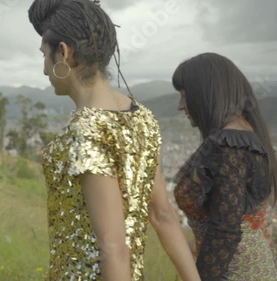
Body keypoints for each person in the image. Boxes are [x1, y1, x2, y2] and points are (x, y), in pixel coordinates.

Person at [28, 0, 201, 280]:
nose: (44, 70)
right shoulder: (142, 118)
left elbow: (113, 247)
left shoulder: (86, 132)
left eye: (44, 56)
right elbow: (163, 216)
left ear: (63, 53)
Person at [172, 52, 277, 280]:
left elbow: (225, 231)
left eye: (185, 96)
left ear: (207, 94)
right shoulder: (245, 135)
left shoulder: (229, 147)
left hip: (233, 273)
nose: (180, 106)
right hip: (251, 265)